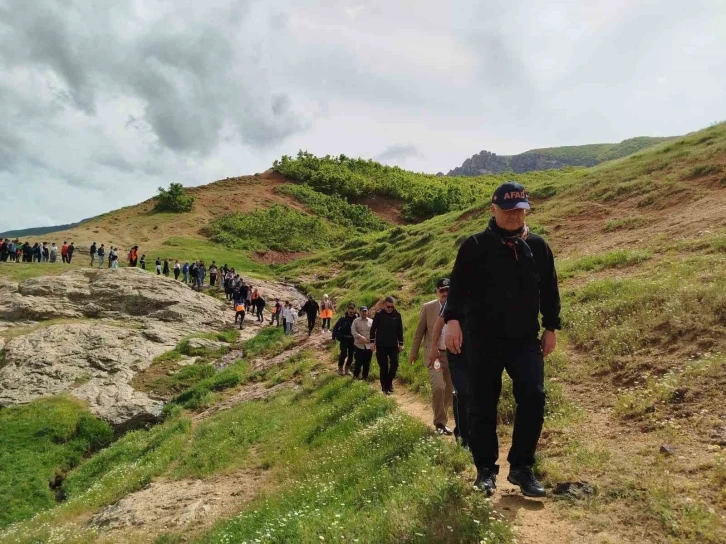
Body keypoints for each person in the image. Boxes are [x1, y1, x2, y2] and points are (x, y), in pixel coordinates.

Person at [444, 181, 561, 498]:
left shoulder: (538, 246)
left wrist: (551, 327)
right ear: (493, 210)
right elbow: (457, 290)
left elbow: (549, 290)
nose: (514, 216)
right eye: (508, 210)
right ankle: (485, 470)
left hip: (524, 340)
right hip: (482, 340)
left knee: (534, 397)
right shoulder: (475, 246)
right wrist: (452, 322)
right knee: (482, 405)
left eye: (520, 210)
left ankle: (522, 468)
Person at [410, 278, 454, 435]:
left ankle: (442, 421)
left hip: (451, 355)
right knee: (438, 387)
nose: (444, 293)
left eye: (447, 290)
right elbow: (419, 332)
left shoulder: (457, 307)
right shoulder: (428, 308)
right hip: (434, 356)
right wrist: (413, 353)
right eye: (441, 290)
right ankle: (439, 423)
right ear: (437, 291)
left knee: (449, 390)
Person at [429, 298, 470, 450]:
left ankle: (474, 434)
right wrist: (433, 347)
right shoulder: (453, 298)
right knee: (462, 392)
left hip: (479, 353)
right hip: (456, 353)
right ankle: (463, 437)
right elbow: (439, 324)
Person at [370, 296, 404, 395]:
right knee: (384, 367)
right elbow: (373, 329)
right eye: (388, 307)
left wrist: (401, 343)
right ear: (384, 305)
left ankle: (389, 383)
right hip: (381, 345)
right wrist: (372, 342)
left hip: (393, 345)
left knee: (395, 364)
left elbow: (400, 330)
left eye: (392, 307)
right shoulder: (379, 314)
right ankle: (384, 387)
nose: (390, 309)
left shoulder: (397, 315)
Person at [332, 304, 358, 375]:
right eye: (350, 312)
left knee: (351, 355)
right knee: (343, 354)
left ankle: (347, 369)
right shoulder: (343, 318)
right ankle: (340, 369)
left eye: (353, 312)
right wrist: (333, 338)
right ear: (348, 311)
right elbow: (335, 328)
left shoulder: (356, 318)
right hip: (344, 338)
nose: (352, 314)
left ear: (355, 311)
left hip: (352, 339)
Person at [351, 306, 374, 380]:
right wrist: (359, 336)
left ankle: (365, 377)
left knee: (367, 363)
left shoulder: (371, 321)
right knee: (358, 362)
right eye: (363, 311)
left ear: (367, 312)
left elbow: (375, 332)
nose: (364, 313)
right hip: (359, 345)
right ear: (360, 312)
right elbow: (353, 331)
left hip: (369, 345)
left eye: (365, 311)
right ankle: (355, 376)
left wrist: (374, 342)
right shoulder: (356, 321)